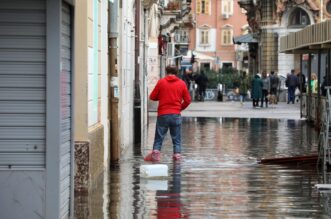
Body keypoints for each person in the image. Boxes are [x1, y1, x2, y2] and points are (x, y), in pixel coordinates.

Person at [149, 65, 191, 161]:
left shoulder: (161, 82)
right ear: (176, 72)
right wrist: (179, 108)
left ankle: (155, 153)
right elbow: (188, 100)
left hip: (163, 114)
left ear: (166, 72)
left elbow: (152, 97)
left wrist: (162, 96)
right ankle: (177, 156)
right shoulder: (182, 83)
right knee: (176, 139)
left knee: (159, 137)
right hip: (175, 114)